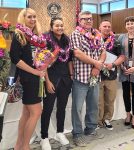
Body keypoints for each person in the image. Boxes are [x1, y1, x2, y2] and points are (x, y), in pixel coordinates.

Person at [10, 8, 45, 150]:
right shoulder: (19, 35)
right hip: (27, 78)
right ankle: (25, 146)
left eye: (34, 17)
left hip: (35, 78)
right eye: (29, 17)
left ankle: (19, 145)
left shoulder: (36, 36)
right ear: (23, 18)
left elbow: (39, 57)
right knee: (36, 112)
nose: (33, 19)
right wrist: (35, 72)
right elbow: (15, 59)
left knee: (26, 113)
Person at [70, 11, 106, 147]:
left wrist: (98, 66)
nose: (88, 21)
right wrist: (96, 63)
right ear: (79, 21)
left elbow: (103, 51)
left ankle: (90, 129)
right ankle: (77, 134)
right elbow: (78, 53)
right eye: (84, 19)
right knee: (77, 108)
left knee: (93, 106)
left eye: (90, 19)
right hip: (81, 77)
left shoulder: (97, 34)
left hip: (95, 76)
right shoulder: (75, 34)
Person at [40, 17, 72, 150]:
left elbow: (69, 59)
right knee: (47, 109)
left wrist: (71, 75)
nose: (60, 28)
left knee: (61, 108)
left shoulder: (66, 40)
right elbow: (43, 63)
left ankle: (59, 132)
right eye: (57, 25)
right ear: (51, 27)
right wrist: (47, 81)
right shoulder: (46, 40)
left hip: (65, 80)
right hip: (51, 79)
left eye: (61, 25)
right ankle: (44, 137)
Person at [98, 20, 125, 130]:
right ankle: (98, 122)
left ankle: (107, 119)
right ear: (100, 27)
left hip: (111, 75)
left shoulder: (116, 41)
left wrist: (112, 64)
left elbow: (122, 57)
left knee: (110, 99)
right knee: (99, 101)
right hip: (97, 75)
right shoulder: (94, 40)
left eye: (109, 26)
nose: (107, 28)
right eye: (104, 26)